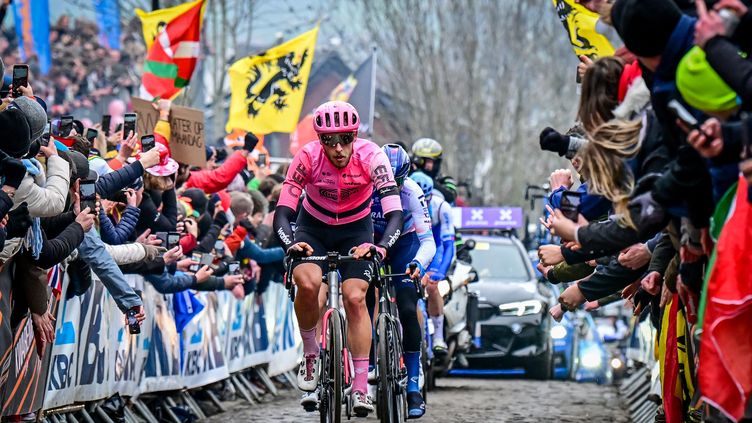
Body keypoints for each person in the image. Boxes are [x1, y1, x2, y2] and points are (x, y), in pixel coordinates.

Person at [273, 101, 403, 415]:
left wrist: (380, 247)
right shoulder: (306, 157)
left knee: (355, 297)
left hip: (356, 229)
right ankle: (310, 354)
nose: (338, 148)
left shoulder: (372, 156)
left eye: (345, 138)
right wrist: (290, 243)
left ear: (354, 136)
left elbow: (395, 212)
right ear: (320, 141)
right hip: (313, 226)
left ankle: (360, 386)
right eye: (329, 141)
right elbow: (282, 212)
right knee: (307, 283)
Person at [367, 144, 435, 418]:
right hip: (370, 242)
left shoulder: (412, 192)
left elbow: (427, 241)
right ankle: (369, 369)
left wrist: (418, 263)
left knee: (408, 306)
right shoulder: (364, 185)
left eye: (395, 182)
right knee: (362, 300)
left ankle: (414, 385)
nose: (388, 187)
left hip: (404, 245)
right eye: (383, 180)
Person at [409, 171, 454, 354]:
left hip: (436, 247)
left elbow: (449, 245)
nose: (423, 205)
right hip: (414, 244)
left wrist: (440, 272)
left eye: (426, 200)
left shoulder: (441, 207)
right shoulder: (405, 201)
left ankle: (438, 337)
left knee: (433, 286)